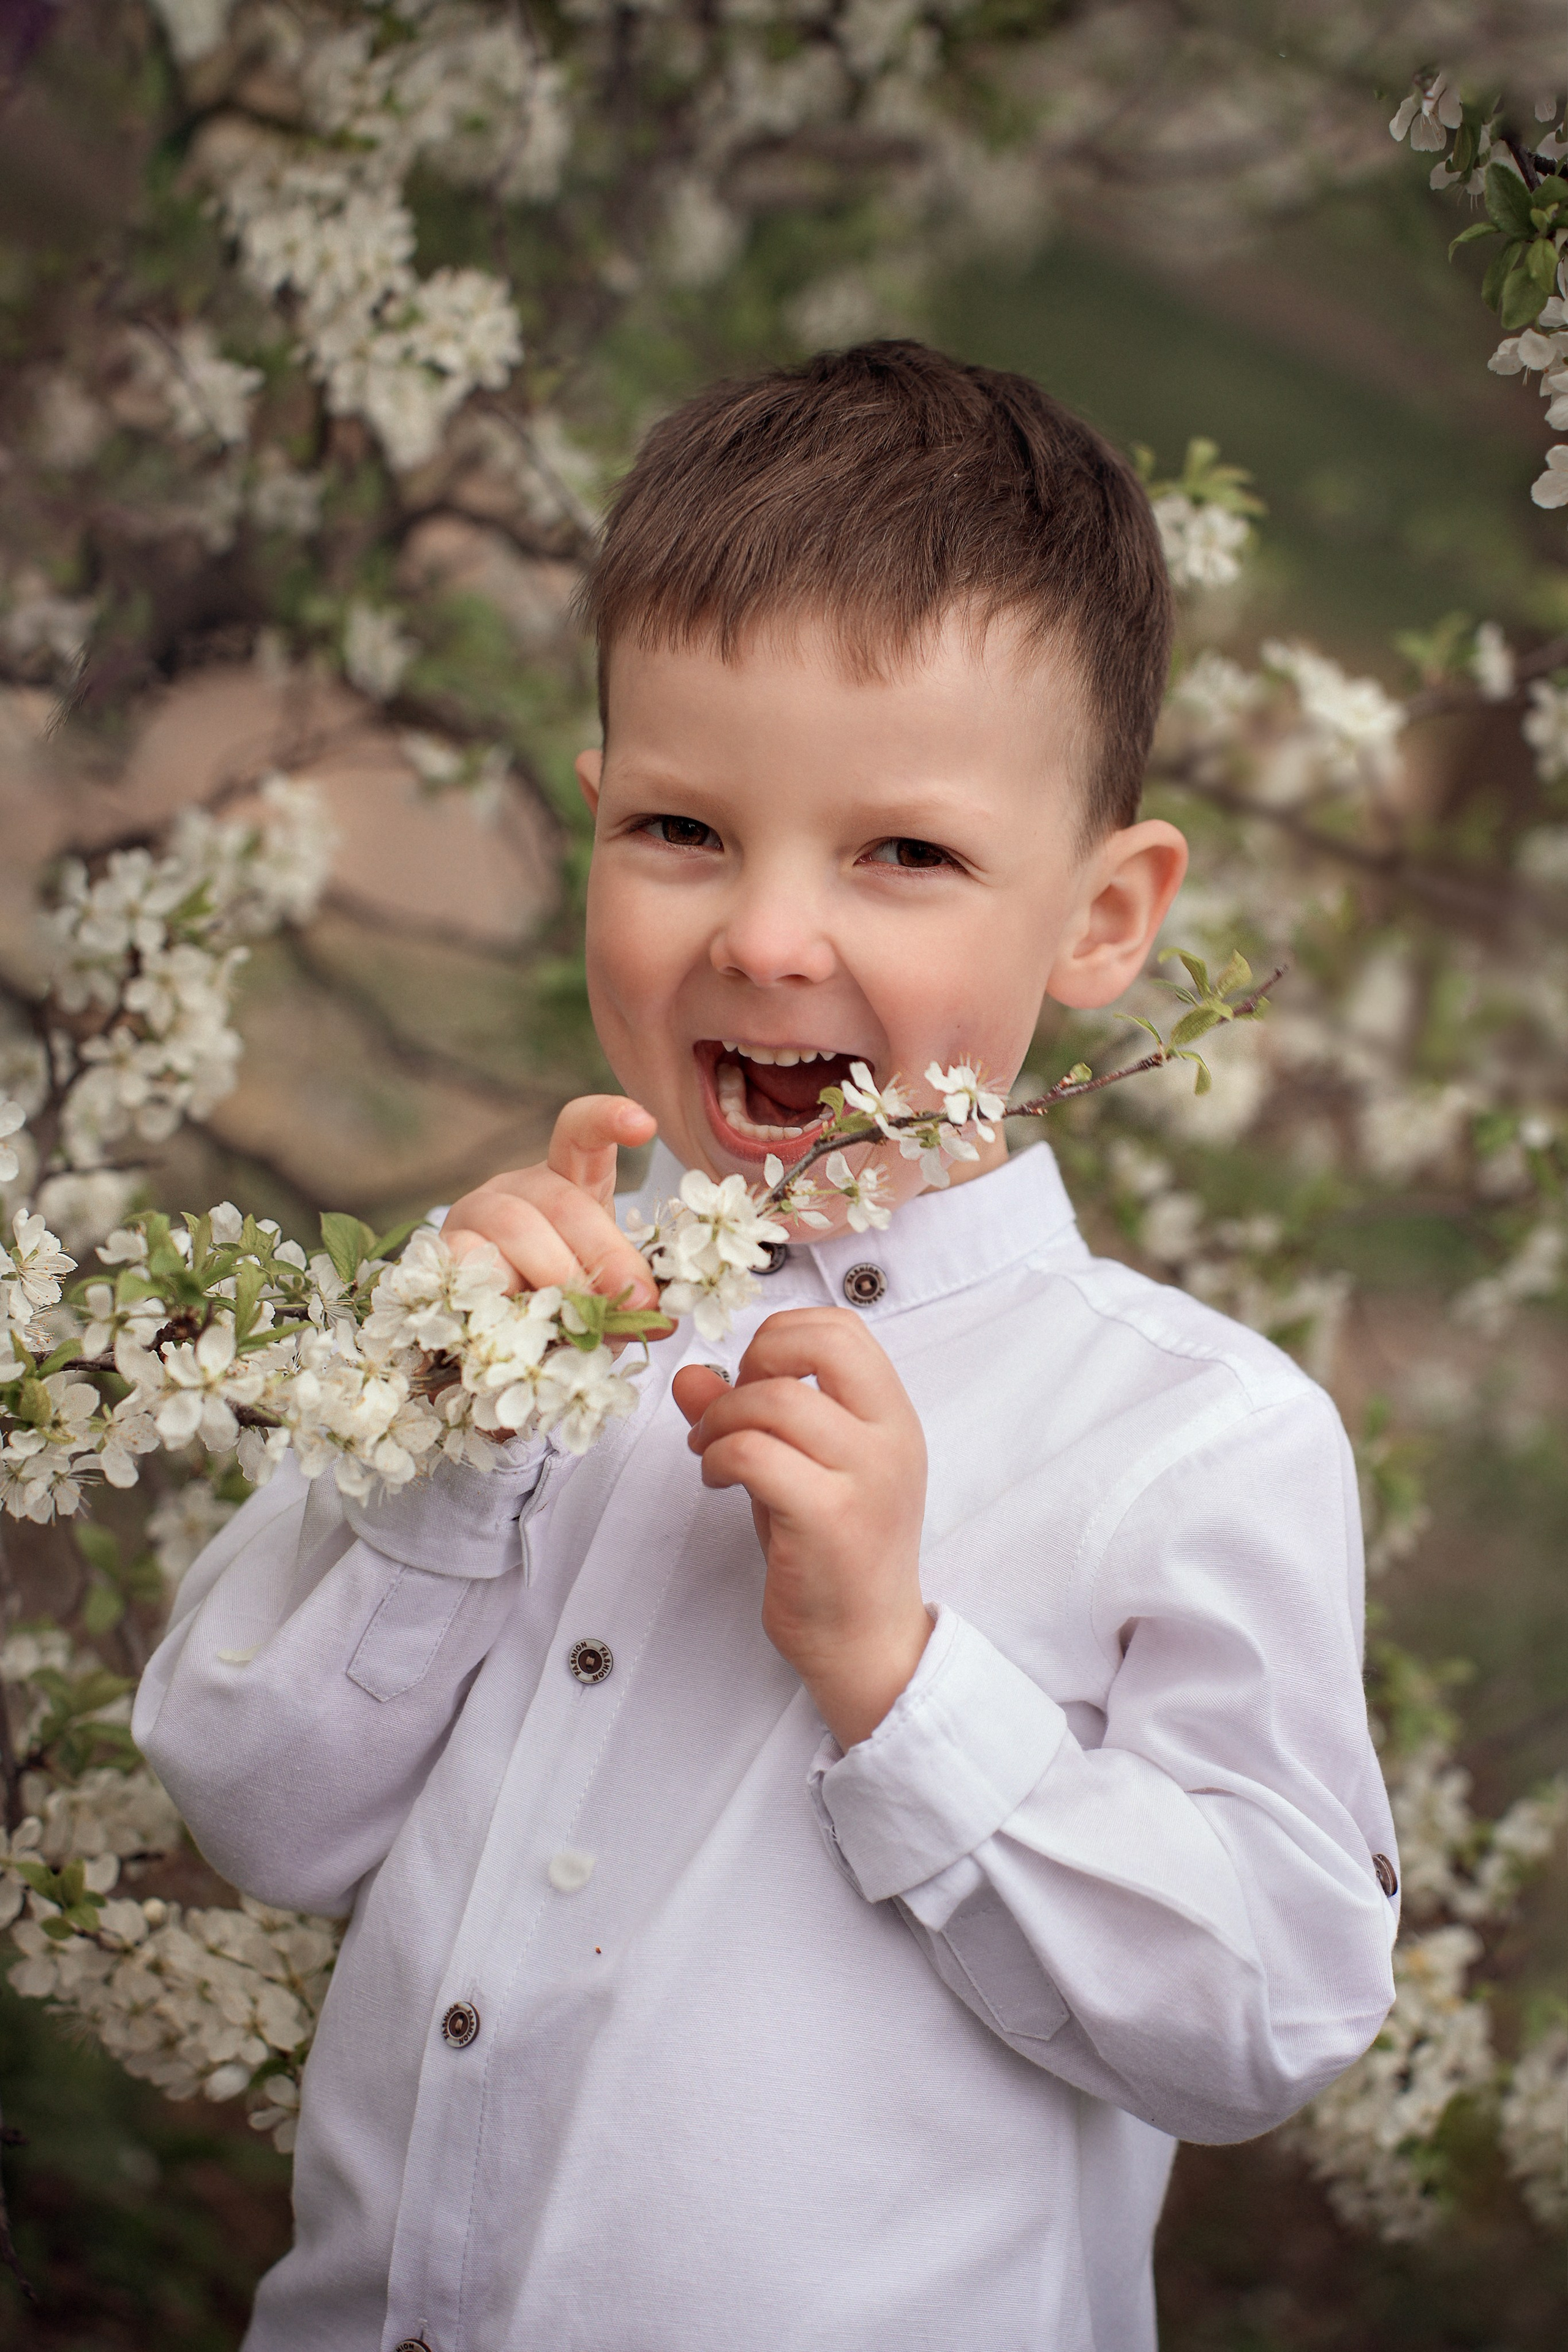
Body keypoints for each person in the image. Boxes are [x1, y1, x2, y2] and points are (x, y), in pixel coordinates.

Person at [135, 341, 1398, 2352]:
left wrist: (904, 1678)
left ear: (1103, 918)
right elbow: (256, 1815)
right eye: (683, 829)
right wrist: (446, 1456)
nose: (768, 937)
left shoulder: (1190, 1441)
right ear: (596, 822)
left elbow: (1269, 2014)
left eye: (905, 853)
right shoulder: (510, 1308)